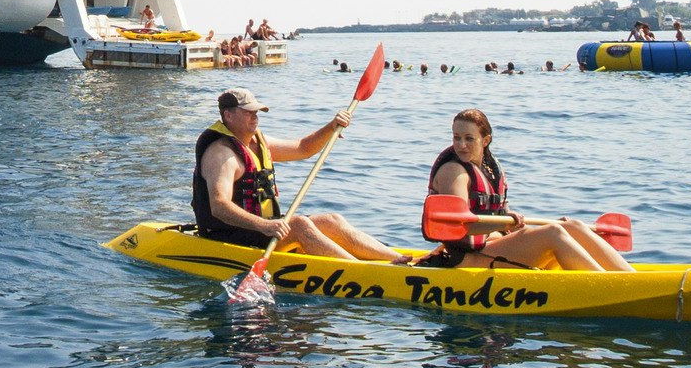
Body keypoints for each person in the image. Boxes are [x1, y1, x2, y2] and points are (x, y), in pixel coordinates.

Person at [193, 86, 408, 263]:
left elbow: (303, 148)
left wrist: (331, 127)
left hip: (259, 229)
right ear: (228, 115)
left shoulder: (257, 142)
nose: (255, 117)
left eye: (256, 112)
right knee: (299, 225)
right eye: (248, 112)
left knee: (332, 220)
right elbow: (219, 205)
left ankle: (400, 259)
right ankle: (362, 271)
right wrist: (265, 226)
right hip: (227, 234)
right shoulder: (221, 153)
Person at [423, 108, 633, 273]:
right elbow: (461, 226)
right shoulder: (454, 170)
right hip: (465, 260)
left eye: (469, 138)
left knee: (572, 225)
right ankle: (610, 285)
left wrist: (511, 224)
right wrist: (509, 221)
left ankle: (628, 277)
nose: (461, 145)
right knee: (553, 233)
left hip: (490, 245)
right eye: (456, 137)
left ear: (485, 141)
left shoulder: (489, 169)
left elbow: (495, 221)